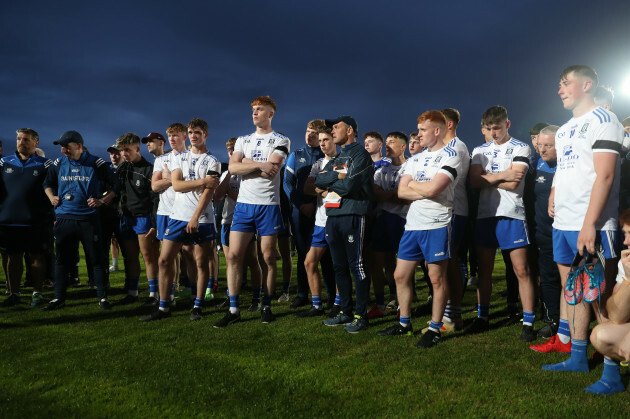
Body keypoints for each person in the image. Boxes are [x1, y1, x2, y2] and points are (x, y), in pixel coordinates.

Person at [541, 66, 624, 393]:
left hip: (594, 225)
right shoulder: (564, 130)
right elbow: (563, 171)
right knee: (573, 292)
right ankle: (577, 357)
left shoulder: (604, 121)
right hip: (563, 222)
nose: (559, 89)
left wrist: (590, 224)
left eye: (565, 83)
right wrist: (552, 195)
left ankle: (612, 373)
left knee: (601, 298)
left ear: (587, 84)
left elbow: (604, 176)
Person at [377, 111, 461, 348]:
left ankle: (434, 328)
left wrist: (418, 186)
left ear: (437, 131)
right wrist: (423, 188)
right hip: (412, 224)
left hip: (437, 223)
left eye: (423, 130)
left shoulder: (451, 155)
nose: (419, 134)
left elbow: (435, 189)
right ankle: (404, 324)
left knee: (436, 278)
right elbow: (402, 193)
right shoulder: (415, 160)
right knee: (400, 275)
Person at [214, 96, 290, 327]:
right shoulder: (242, 140)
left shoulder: (281, 139)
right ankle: (234, 308)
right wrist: (258, 164)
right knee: (234, 255)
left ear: (271, 114)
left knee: (267, 256)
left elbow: (272, 170)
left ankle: (266, 305)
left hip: (268, 204)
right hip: (244, 206)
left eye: (260, 109)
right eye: (253, 110)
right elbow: (233, 168)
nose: (255, 113)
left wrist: (246, 164)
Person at [467, 105, 536, 341]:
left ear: (507, 124)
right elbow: (474, 182)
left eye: (497, 127)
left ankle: (528, 322)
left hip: (512, 213)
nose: (493, 132)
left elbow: (514, 182)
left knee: (521, 270)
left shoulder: (521, 147)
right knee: (484, 271)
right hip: (485, 215)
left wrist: (486, 178)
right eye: (489, 128)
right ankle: (482, 317)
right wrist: (501, 175)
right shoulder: (479, 150)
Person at [140, 118, 220, 321]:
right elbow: (176, 185)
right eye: (191, 132)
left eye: (198, 133)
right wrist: (202, 181)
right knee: (164, 259)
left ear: (205, 135)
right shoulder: (179, 158)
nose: (193, 136)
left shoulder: (213, 161)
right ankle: (164, 306)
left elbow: (208, 194)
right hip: (176, 216)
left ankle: (198, 305)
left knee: (201, 263)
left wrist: (195, 217)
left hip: (201, 218)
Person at [42, 130, 118, 310]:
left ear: (79, 146)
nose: (62, 151)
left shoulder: (96, 163)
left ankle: (102, 297)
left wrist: (101, 200)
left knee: (97, 259)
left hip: (88, 219)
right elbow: (47, 184)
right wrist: (51, 197)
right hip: (64, 219)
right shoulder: (58, 163)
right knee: (61, 260)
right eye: (61, 147)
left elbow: (116, 186)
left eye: (66, 147)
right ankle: (58, 298)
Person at [315, 115, 374, 333]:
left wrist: (332, 182)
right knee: (338, 266)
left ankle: (361, 315)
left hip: (354, 215)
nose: (332, 131)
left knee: (356, 266)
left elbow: (350, 186)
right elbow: (318, 181)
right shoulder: (338, 157)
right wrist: (338, 175)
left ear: (349, 130)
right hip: (333, 217)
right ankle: (345, 312)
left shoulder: (361, 155)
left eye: (336, 127)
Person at [0, 128, 52, 308]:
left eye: (26, 139)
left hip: (36, 220)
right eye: (19, 139)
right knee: (13, 257)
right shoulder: (4, 162)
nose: (21, 142)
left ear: (36, 143)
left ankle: (37, 293)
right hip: (9, 220)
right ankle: (14, 293)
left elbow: (53, 189)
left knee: (36, 257)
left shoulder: (46, 165)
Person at [214, 138, 263, 312]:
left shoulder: (248, 172)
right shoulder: (226, 173)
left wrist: (232, 193)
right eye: (228, 150)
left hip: (245, 221)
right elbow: (217, 196)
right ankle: (231, 296)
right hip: (227, 220)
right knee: (230, 261)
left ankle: (257, 298)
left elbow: (245, 197)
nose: (230, 152)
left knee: (251, 261)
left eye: (233, 149)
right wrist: (228, 174)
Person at [282, 119, 325, 308]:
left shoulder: (327, 155)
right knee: (302, 253)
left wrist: (315, 206)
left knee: (326, 254)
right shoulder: (296, 155)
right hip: (299, 211)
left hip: (322, 210)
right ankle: (302, 294)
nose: (310, 135)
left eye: (314, 132)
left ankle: (330, 294)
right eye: (308, 131)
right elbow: (287, 183)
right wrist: (300, 206)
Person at [115, 133, 160, 306]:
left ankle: (153, 294)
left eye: (127, 150)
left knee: (149, 257)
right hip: (125, 218)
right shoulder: (122, 168)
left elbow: (156, 199)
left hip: (143, 218)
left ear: (137, 149)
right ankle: (132, 293)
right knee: (130, 257)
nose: (124, 154)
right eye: (122, 150)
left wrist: (154, 224)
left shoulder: (149, 169)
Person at [147, 124, 189, 307]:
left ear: (185, 137)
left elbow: (191, 183)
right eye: (170, 136)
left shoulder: (190, 157)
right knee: (167, 256)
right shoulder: (162, 159)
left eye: (176, 135)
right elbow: (155, 187)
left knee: (191, 254)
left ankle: (198, 294)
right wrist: (174, 179)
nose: (172, 139)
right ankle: (171, 292)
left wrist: (169, 177)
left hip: (186, 209)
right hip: (165, 211)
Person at [367, 131, 409, 319]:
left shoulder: (411, 168)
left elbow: (405, 197)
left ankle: (401, 302)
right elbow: (376, 194)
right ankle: (380, 304)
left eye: (393, 142)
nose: (388, 146)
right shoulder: (380, 171)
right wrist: (394, 194)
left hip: (401, 220)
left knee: (402, 265)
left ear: (403, 146)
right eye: (387, 143)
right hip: (381, 218)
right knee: (376, 263)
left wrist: (391, 195)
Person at [297, 126, 338, 317]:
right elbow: (307, 189)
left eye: (326, 140)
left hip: (338, 219)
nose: (322, 144)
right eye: (320, 140)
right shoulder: (318, 164)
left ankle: (339, 303)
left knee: (339, 265)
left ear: (334, 140)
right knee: (309, 262)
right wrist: (324, 188)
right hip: (320, 221)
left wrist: (321, 186)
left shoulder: (343, 161)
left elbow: (341, 188)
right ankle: (317, 305)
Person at [589, 209, 630, 395]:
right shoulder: (626, 262)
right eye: (625, 234)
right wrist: (629, 280)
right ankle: (612, 379)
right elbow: (615, 314)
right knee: (601, 334)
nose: (626, 242)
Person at [436, 108, 470, 333]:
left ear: (449, 125)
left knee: (451, 262)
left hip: (454, 210)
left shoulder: (456, 147)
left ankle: (452, 315)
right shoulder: (445, 148)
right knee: (450, 262)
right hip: (449, 210)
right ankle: (452, 314)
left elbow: (444, 181)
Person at [527, 125, 562, 340]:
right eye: (540, 145)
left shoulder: (571, 165)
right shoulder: (536, 164)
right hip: (543, 232)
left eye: (548, 145)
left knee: (573, 277)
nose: (542, 149)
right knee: (548, 277)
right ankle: (552, 319)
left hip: (568, 231)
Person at [106, 144, 122, 272]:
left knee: (128, 242)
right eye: (112, 153)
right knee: (113, 239)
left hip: (125, 210)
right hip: (110, 210)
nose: (114, 156)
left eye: (117, 153)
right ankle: (115, 265)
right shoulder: (106, 169)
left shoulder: (127, 168)